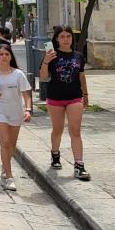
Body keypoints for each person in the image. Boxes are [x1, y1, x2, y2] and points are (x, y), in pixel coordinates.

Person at [41, 26, 91, 181]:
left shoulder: (78, 56)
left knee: (75, 130)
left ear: (72, 38)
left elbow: (81, 76)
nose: (65, 39)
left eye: (68, 36)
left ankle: (79, 165)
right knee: (58, 129)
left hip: (74, 96)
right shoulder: (51, 55)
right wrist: (46, 61)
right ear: (56, 39)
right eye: (62, 36)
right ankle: (55, 154)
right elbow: (43, 77)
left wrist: (85, 94)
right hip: (55, 97)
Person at [0, 44, 33, 191]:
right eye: (1, 54)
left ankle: (5, 167)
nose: (4, 57)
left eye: (6, 54)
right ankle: (9, 177)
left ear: (11, 56)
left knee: (11, 144)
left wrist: (28, 110)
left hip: (15, 111)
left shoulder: (18, 74)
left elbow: (26, 94)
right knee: (5, 142)